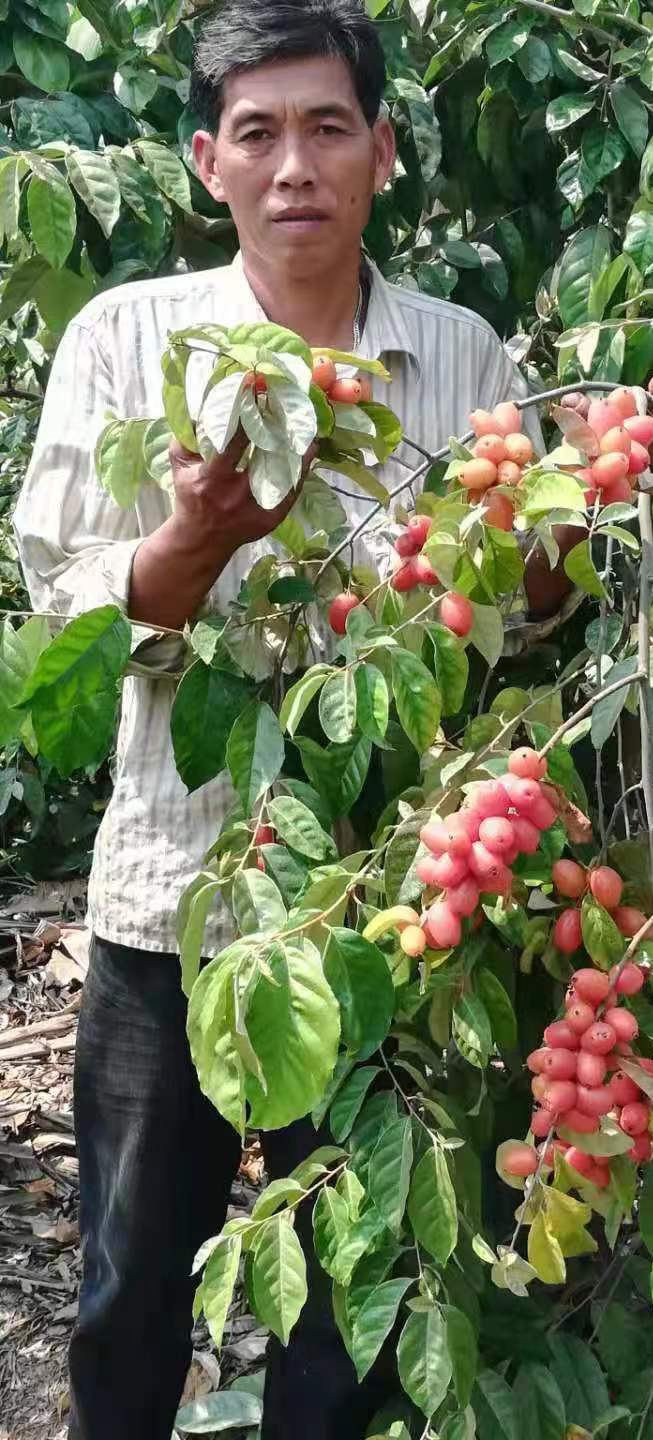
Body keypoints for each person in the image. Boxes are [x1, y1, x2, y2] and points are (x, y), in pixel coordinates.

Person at [12, 3, 574, 1436]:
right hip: (176, 901)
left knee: (357, 1290)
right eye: (257, 133)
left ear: (385, 150)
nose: (294, 166)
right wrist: (191, 539)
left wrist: (557, 550)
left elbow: (514, 621)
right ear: (208, 162)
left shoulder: (463, 358)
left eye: (329, 128)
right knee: (134, 1286)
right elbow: (61, 617)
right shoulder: (126, 340)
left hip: (402, 912)